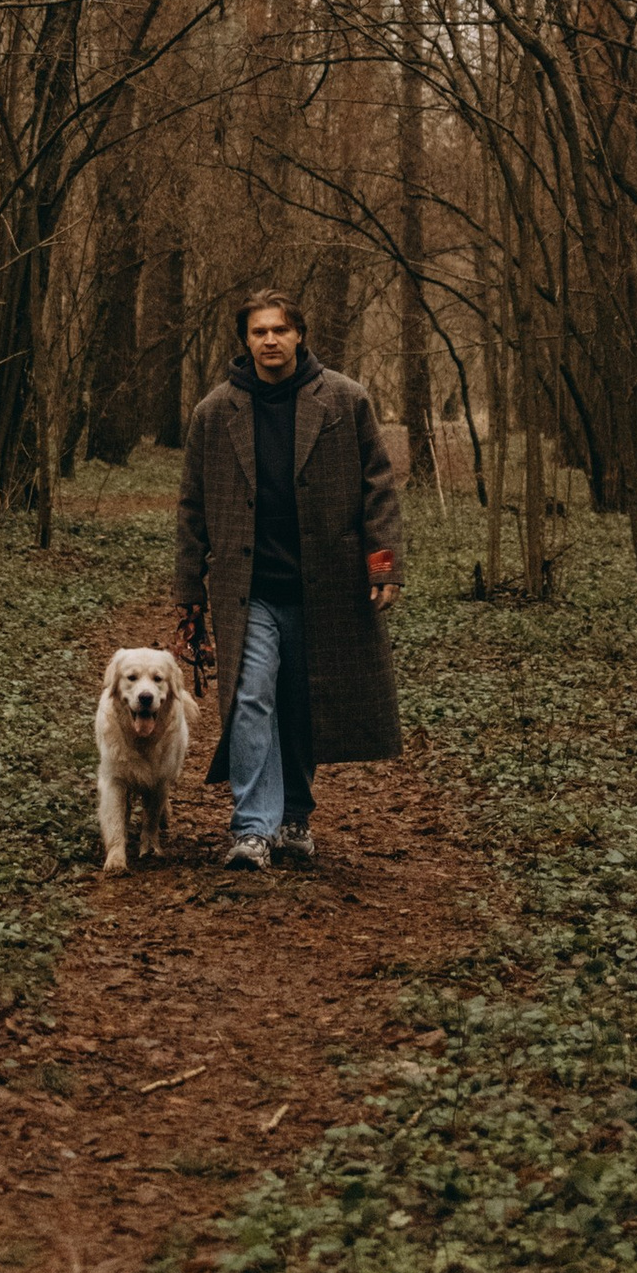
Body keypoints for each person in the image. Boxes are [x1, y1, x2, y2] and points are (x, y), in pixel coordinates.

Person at [173, 285, 403, 871]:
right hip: (249, 592)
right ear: (245, 340)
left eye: (280, 329)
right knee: (251, 699)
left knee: (304, 703)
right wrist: (188, 597)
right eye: (258, 331)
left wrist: (382, 568)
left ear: (299, 334)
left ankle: (294, 818)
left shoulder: (345, 400)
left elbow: (378, 486)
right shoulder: (214, 411)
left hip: (323, 586)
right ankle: (252, 827)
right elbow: (192, 508)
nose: (270, 340)